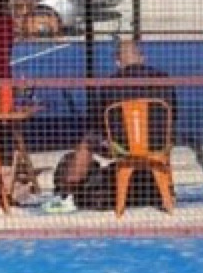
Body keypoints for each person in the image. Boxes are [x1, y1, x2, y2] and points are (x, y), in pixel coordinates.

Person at [49, 38, 177, 213]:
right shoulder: (163, 80)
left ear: (118, 61)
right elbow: (173, 114)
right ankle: (167, 188)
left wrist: (108, 138)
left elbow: (99, 123)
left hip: (123, 148)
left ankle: (67, 193)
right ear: (142, 57)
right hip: (158, 145)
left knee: (88, 141)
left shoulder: (110, 85)